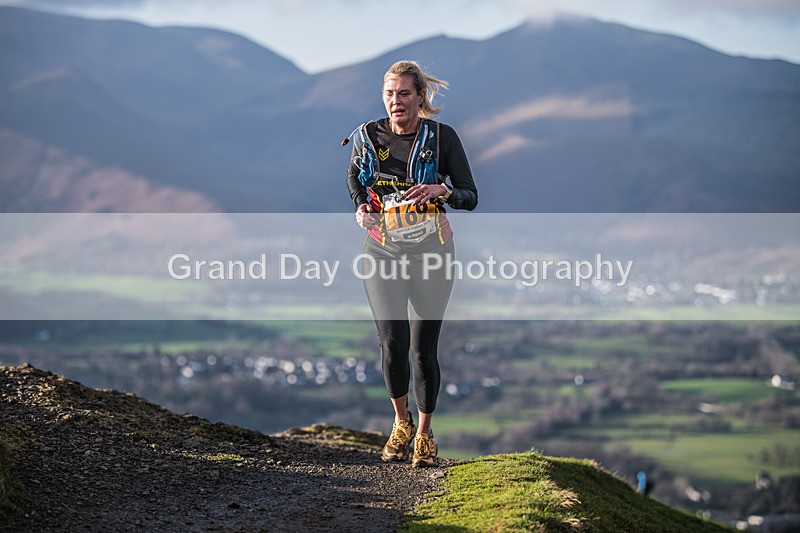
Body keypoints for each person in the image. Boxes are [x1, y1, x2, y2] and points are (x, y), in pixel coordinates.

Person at [345, 60, 478, 467]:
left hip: (432, 253)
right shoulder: (368, 137)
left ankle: (424, 433)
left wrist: (444, 190)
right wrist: (361, 207)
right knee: (392, 342)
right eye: (389, 93)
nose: (396, 101)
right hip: (381, 251)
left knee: (422, 349)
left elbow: (470, 195)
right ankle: (400, 423)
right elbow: (354, 177)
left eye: (404, 93)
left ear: (420, 96)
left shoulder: (442, 138)